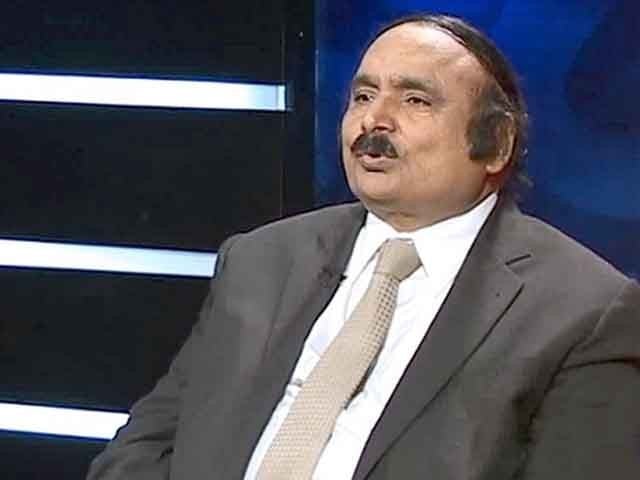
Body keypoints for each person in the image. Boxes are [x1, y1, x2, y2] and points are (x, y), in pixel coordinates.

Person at [87, 13, 640, 480]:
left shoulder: (585, 312)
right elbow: (143, 447)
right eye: (363, 95)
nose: (374, 120)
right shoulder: (260, 260)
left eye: (416, 100)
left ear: (496, 143)